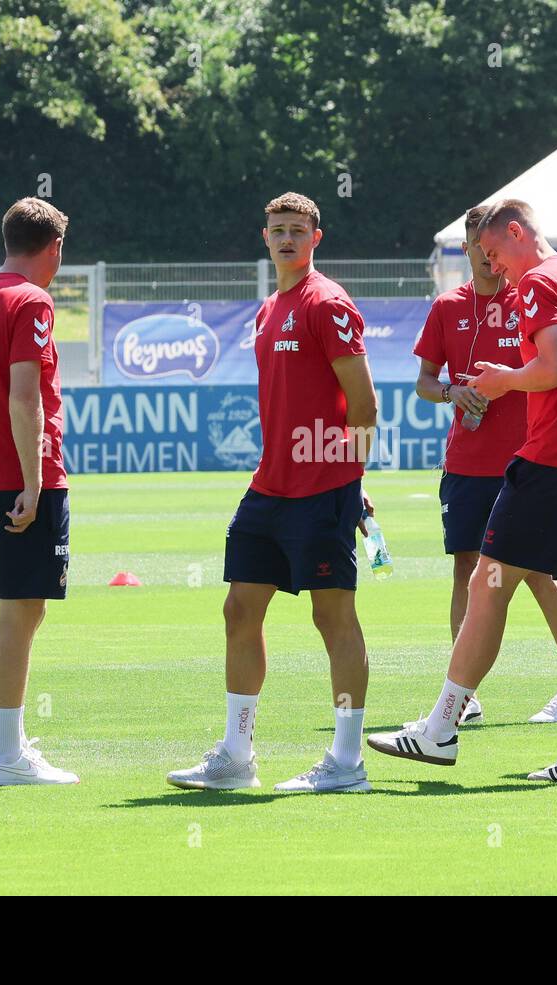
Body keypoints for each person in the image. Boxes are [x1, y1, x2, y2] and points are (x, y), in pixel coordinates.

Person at [369, 198, 557, 784]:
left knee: (486, 586)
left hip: (550, 463)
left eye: (493, 254)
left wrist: (504, 379)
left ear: (517, 233)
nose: (496, 268)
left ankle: (439, 730)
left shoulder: (538, 283)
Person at [167, 192, 379, 794]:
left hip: (323, 488)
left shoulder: (327, 302)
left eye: (297, 230)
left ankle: (345, 762)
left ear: (317, 237)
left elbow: (363, 404)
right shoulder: (269, 308)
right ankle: (237, 756)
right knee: (239, 609)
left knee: (331, 616)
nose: (286, 238)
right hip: (269, 487)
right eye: (277, 229)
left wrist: (350, 480)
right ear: (264, 237)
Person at [413, 205, 557, 726]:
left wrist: (507, 379)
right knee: (467, 571)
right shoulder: (447, 307)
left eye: (492, 250)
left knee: (536, 571)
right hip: (466, 461)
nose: (487, 260)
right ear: (465, 250)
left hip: (528, 457)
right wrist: (453, 392)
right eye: (476, 249)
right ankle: (464, 694)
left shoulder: (531, 294)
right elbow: (424, 382)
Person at [0, 197, 77, 786]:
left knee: (21, 610)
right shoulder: (32, 300)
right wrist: (32, 482)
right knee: (21, 612)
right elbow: (23, 395)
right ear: (52, 247)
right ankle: (5, 755)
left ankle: (13, 739)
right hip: (25, 477)